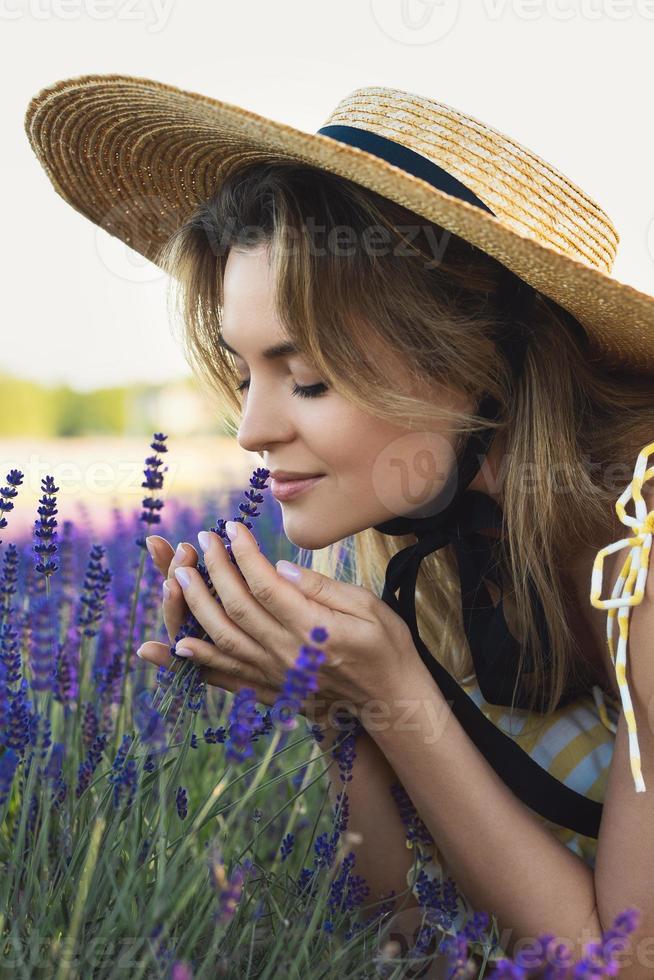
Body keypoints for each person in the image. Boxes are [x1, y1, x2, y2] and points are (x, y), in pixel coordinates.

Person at [24, 78, 654, 970]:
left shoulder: (643, 561)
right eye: (246, 373)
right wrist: (337, 706)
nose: (252, 430)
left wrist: (391, 693)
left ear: (473, 360)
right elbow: (398, 939)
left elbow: (617, 966)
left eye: (309, 378)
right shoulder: (406, 547)